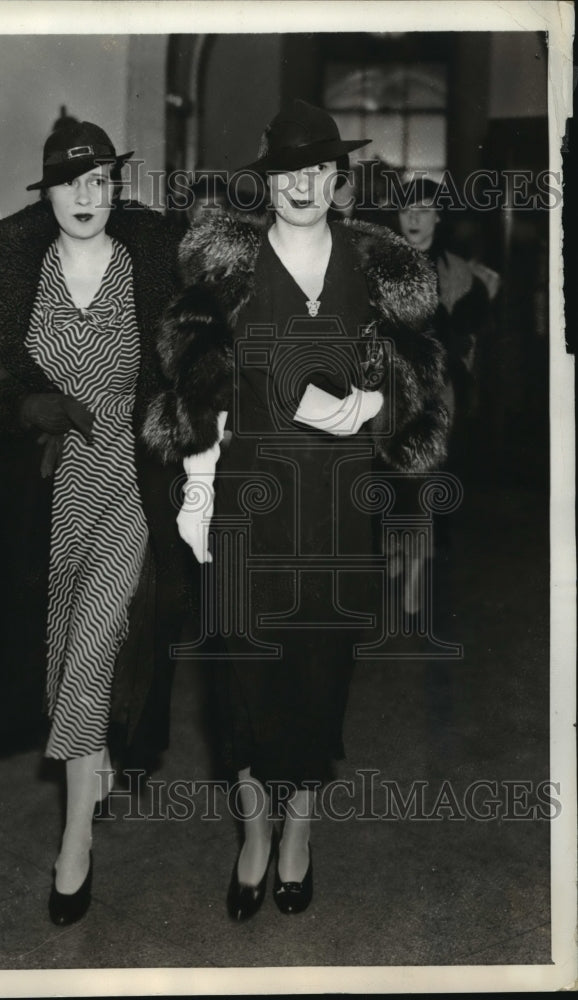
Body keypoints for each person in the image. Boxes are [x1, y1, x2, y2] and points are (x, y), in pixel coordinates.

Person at [142, 99, 449, 920]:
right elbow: (198, 397)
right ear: (268, 181)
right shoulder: (227, 274)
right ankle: (252, 836)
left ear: (339, 180)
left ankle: (300, 831)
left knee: (320, 669)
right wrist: (200, 495)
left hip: (342, 505)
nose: (304, 185)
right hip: (249, 502)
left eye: (319, 170)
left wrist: (370, 409)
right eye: (289, 172)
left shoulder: (378, 270)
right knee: (243, 675)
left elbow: (419, 393)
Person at [0, 118, 182, 926]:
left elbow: (192, 368)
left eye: (101, 182)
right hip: (47, 492)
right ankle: (95, 772)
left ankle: (75, 841)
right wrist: (30, 404)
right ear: (47, 193)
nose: (88, 198)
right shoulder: (19, 271)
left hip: (127, 476)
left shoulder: (145, 267)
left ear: (115, 190)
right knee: (59, 651)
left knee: (91, 644)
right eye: (71, 183)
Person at [394, 177, 499, 611]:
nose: (414, 217)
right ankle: (399, 555)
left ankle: (414, 577)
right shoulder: (378, 263)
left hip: (435, 395)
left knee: (424, 482)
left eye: (423, 208)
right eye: (406, 209)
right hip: (383, 394)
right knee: (388, 484)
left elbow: (463, 339)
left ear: (439, 215)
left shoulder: (459, 273)